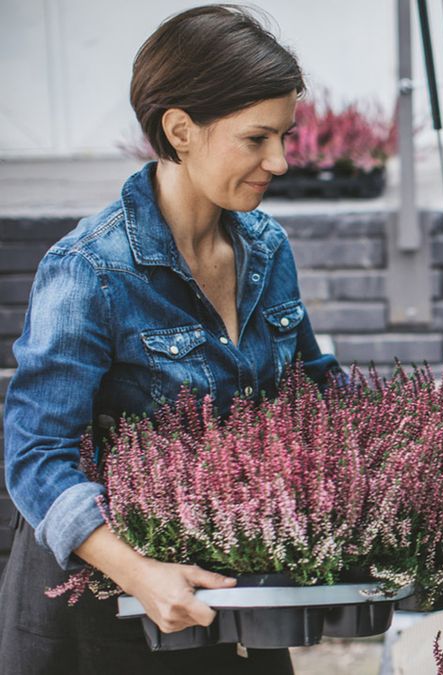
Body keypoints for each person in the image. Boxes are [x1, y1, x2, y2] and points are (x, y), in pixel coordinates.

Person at [0, 6, 341, 673]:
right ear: (181, 130)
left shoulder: (268, 250)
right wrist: (141, 572)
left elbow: (310, 390)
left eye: (285, 135)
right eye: (257, 138)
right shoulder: (91, 270)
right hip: (106, 609)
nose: (280, 159)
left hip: (235, 593)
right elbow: (34, 455)